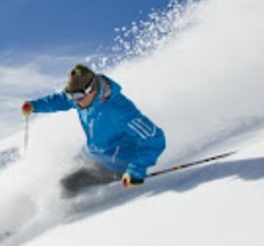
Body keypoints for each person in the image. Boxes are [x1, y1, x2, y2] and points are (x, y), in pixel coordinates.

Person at [22, 64, 166, 197]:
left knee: (65, 185)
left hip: (114, 163)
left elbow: (154, 137)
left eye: (78, 97)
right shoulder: (82, 99)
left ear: (92, 90)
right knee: (58, 172)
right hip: (91, 153)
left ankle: (65, 219)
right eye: (72, 96)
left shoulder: (120, 110)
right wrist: (35, 106)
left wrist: (135, 171)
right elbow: (61, 100)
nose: (75, 101)